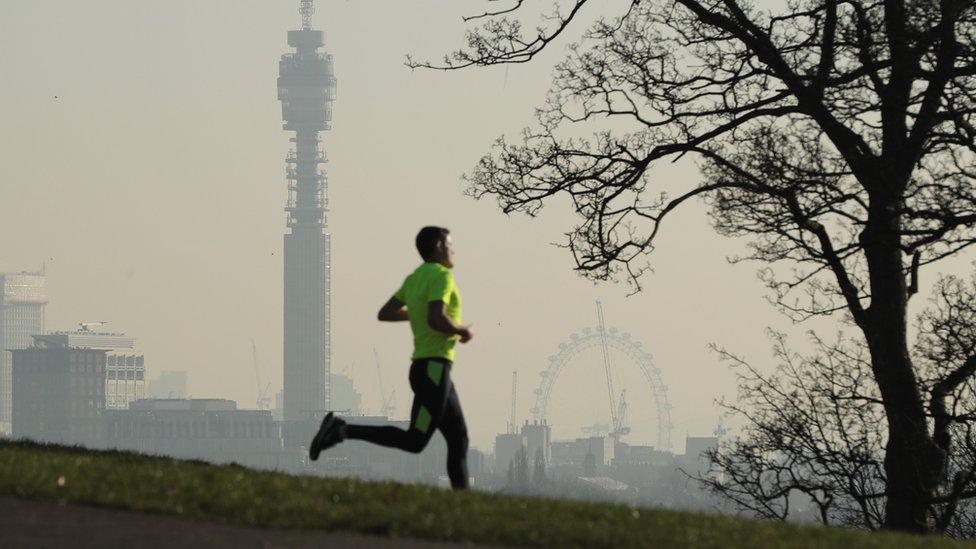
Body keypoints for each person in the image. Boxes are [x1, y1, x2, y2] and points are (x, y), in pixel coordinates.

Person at [309, 226, 474, 489]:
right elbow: (436, 318)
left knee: (459, 439)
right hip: (433, 369)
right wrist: (460, 330)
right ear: (439, 246)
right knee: (415, 441)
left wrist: (417, 311)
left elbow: (385, 312)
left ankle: (465, 505)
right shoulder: (442, 276)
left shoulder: (415, 277)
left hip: (430, 370)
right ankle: (341, 430)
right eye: (450, 244)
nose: (454, 249)